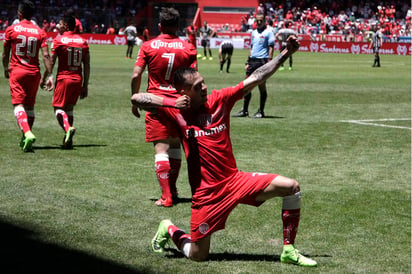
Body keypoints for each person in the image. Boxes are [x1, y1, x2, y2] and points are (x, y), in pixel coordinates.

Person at [131, 35, 317, 267]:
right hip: (206, 195)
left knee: (291, 187)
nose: (205, 88)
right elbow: (136, 98)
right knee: (199, 255)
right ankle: (168, 227)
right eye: (198, 87)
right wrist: (169, 103)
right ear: (184, 93)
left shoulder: (221, 99)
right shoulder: (176, 112)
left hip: (235, 181)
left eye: (203, 82)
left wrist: (284, 54)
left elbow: (256, 77)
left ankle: (288, 249)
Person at [130, 7, 197, 207]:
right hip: (179, 104)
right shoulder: (188, 47)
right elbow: (194, 80)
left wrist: (134, 98)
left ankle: (166, 196)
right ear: (178, 26)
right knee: (176, 148)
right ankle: (173, 190)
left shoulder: (148, 46)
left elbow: (135, 75)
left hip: (155, 103)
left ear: (159, 25)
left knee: (161, 150)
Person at [2, 0, 52, 152]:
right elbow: (46, 55)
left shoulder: (11, 29)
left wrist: (5, 68)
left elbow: (5, 54)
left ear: (19, 13)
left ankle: (27, 133)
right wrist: (49, 75)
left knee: (18, 105)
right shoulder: (40, 31)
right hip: (34, 73)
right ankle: (25, 137)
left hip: (17, 71)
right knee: (30, 107)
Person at [44, 15, 90, 149]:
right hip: (77, 79)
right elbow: (87, 65)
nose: (58, 26)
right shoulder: (83, 41)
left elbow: (51, 61)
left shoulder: (59, 40)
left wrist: (46, 77)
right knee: (69, 109)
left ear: (66, 25)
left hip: (64, 79)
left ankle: (68, 129)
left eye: (60, 23)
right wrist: (85, 85)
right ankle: (67, 139)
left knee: (58, 108)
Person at [234, 13, 275, 118]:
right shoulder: (253, 32)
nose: (259, 22)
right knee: (246, 86)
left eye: (261, 20)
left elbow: (271, 48)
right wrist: (247, 62)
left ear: (265, 20)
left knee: (261, 86)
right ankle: (245, 110)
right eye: (257, 21)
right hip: (252, 61)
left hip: (262, 62)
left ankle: (261, 111)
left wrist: (269, 62)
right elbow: (251, 47)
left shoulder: (269, 33)